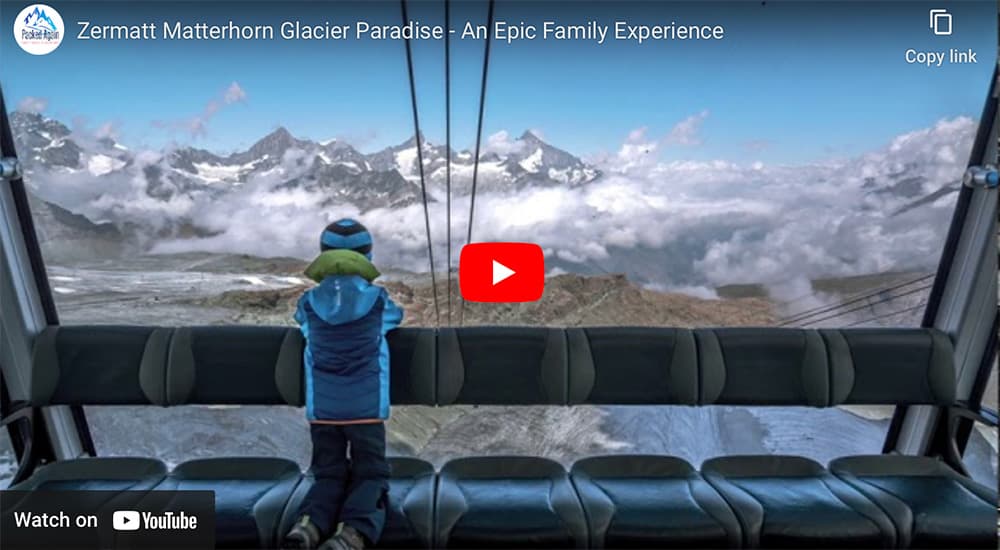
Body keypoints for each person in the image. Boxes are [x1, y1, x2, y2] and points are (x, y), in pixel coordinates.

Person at [282, 219, 403, 550]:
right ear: (368, 256)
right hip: (366, 411)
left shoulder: (309, 302)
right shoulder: (378, 301)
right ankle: (352, 533)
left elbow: (302, 323)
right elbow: (396, 317)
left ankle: (308, 526)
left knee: (328, 473)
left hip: (323, 410)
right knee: (371, 474)